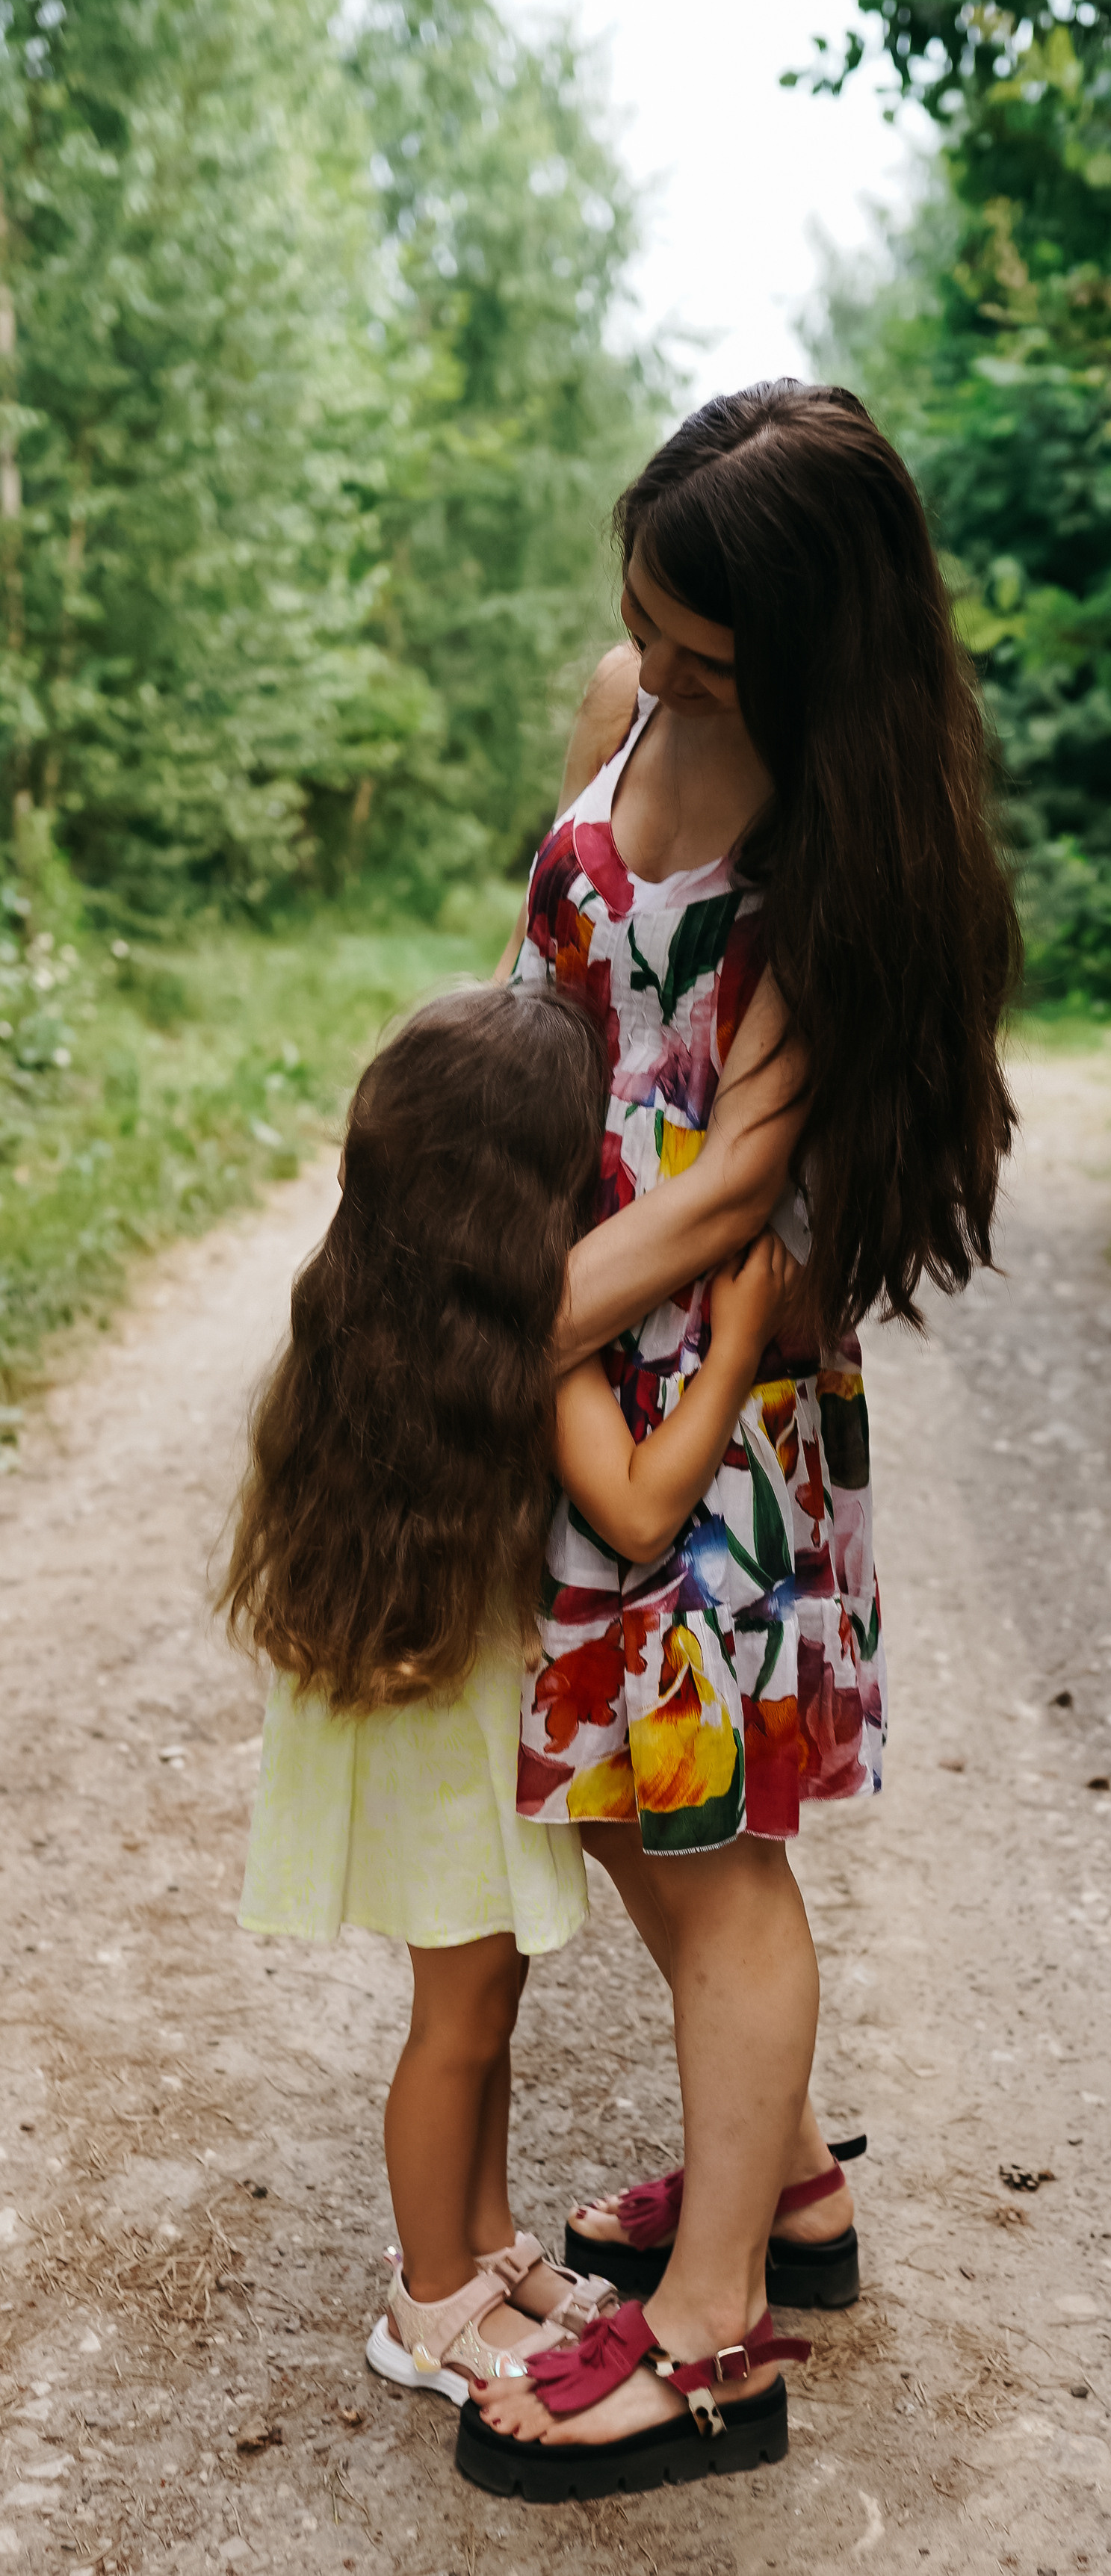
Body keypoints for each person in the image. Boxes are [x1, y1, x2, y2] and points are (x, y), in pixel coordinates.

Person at [459, 380, 1018, 2501]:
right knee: (598, 1780)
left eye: (714, 663)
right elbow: (554, 986)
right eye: (653, 637)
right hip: (564, 1313)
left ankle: (710, 2337)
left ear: (816, 660)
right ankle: (779, 2174)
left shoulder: (838, 851)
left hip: (701, 1376)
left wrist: (475, 1327)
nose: (670, 681)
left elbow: (718, 1201)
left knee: (707, 1850)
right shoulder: (629, 691)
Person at [225, 985, 801, 2407]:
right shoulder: (527, 1340)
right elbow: (644, 1508)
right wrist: (730, 1351)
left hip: (405, 1712)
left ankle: (483, 2247)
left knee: (481, 2002)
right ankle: (427, 2302)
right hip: (444, 1739)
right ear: (533, 1192)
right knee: (461, 2023)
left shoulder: (363, 1308)